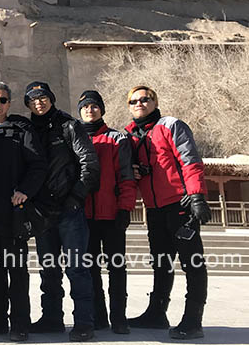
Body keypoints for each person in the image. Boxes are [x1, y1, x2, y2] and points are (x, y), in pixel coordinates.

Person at [124, 86, 211, 340]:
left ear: (154, 102)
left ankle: (193, 320)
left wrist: (196, 196)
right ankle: (156, 313)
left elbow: (190, 160)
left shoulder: (171, 125)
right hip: (154, 208)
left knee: (193, 263)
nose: (139, 103)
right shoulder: (130, 134)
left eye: (145, 99)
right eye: (134, 100)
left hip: (180, 204)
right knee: (161, 262)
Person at [0, 81, 47, 342]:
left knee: (16, 272)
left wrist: (25, 190)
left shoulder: (22, 131)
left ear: (9, 103)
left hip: (13, 216)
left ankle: (20, 323)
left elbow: (38, 166)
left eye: (2, 100)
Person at [25, 81, 100, 342]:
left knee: (77, 269)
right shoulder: (28, 131)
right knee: (49, 269)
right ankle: (51, 318)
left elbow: (88, 163)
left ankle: (83, 323)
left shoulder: (69, 126)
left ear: (51, 99)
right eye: (33, 99)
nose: (39, 102)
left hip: (70, 209)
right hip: (42, 212)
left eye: (43, 97)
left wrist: (76, 196)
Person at [77, 90, 136, 334]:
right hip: (84, 216)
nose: (90, 110)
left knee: (116, 267)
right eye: (85, 106)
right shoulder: (76, 138)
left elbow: (126, 176)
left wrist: (125, 207)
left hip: (111, 214)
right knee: (90, 269)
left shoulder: (117, 138)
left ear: (102, 109)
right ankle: (99, 315)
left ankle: (119, 317)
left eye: (94, 106)